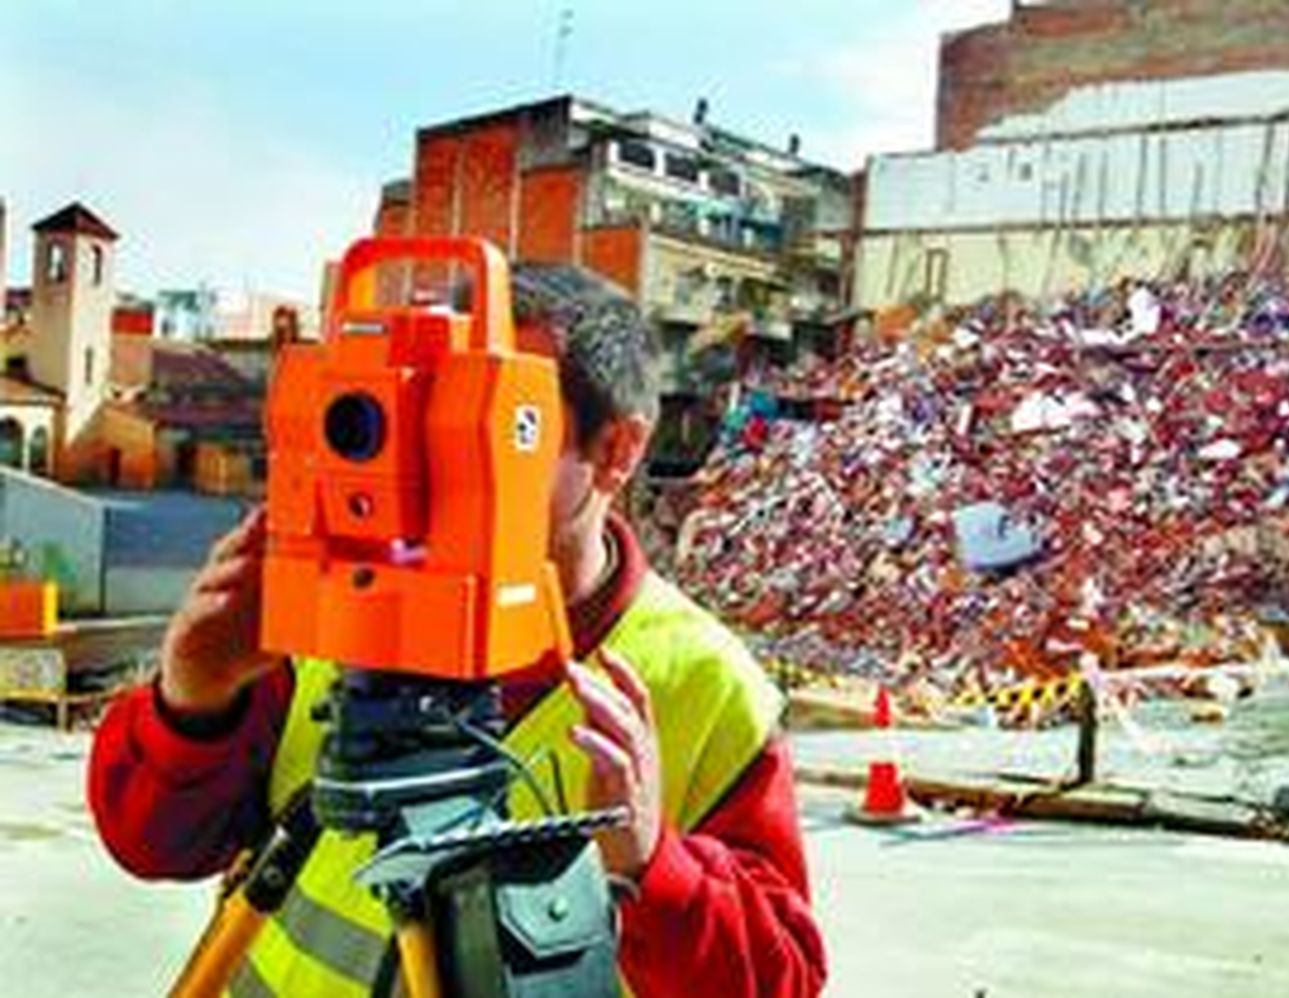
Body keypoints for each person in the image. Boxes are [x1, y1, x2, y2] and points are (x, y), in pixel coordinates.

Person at [88, 262, 827, 997]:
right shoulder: (341, 612)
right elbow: (149, 843)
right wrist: (192, 702)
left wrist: (651, 865)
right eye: (435, 407)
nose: (443, 449)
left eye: (495, 416)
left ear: (616, 451)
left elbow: (778, 981)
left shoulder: (706, 685)